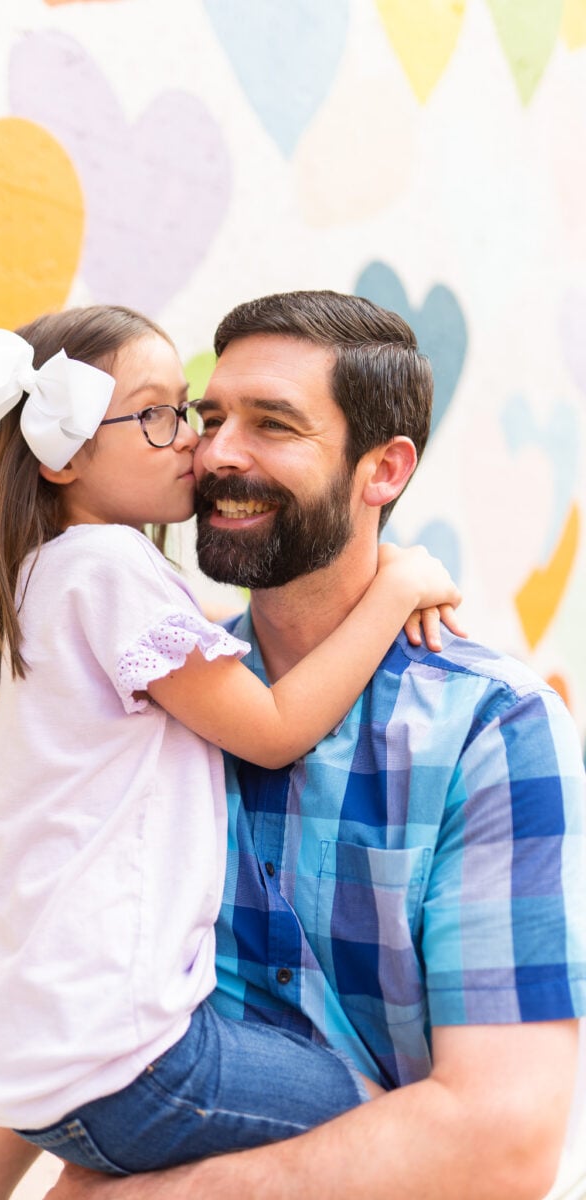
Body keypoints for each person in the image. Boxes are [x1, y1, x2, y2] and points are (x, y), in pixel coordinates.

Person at [41, 290, 586, 1200]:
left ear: (384, 470)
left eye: (273, 425)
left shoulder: (494, 728)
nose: (215, 452)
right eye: (210, 417)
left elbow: (504, 1141)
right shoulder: (170, 691)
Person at [0, 304, 463, 1196]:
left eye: (190, 411)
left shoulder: (48, 572)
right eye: (161, 416)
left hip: (32, 1052)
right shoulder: (112, 570)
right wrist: (396, 582)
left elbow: (225, 644)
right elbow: (274, 727)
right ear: (62, 458)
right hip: (133, 1066)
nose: (197, 446)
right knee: (384, 1128)